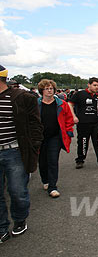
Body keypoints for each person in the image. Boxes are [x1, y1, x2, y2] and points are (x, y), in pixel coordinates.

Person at [0, 65, 43, 242]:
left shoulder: (21, 97)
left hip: (14, 151)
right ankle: (2, 226)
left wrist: (34, 147)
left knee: (17, 191)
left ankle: (19, 219)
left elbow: (35, 124)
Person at [37, 79, 74, 198]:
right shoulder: (36, 104)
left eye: (51, 88)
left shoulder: (61, 103)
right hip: (40, 137)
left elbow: (69, 118)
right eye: (46, 89)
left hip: (55, 137)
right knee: (42, 161)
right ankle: (46, 180)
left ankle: (53, 187)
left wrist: (69, 131)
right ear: (41, 91)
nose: (49, 91)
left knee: (53, 160)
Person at [68, 77, 98, 169]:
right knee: (83, 142)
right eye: (94, 85)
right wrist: (74, 116)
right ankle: (80, 160)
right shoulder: (80, 94)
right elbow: (70, 104)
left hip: (96, 123)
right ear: (89, 85)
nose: (96, 87)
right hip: (83, 123)